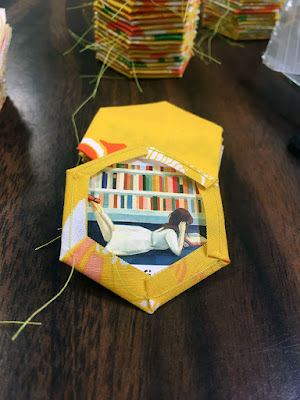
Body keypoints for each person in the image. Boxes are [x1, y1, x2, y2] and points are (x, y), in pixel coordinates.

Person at [88, 195, 193, 257]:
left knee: (111, 232)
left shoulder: (167, 227)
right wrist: (182, 232)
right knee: (111, 235)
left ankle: (96, 207)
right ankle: (96, 207)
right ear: (181, 223)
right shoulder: (170, 233)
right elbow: (177, 252)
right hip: (143, 241)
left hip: (143, 233)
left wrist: (180, 238)